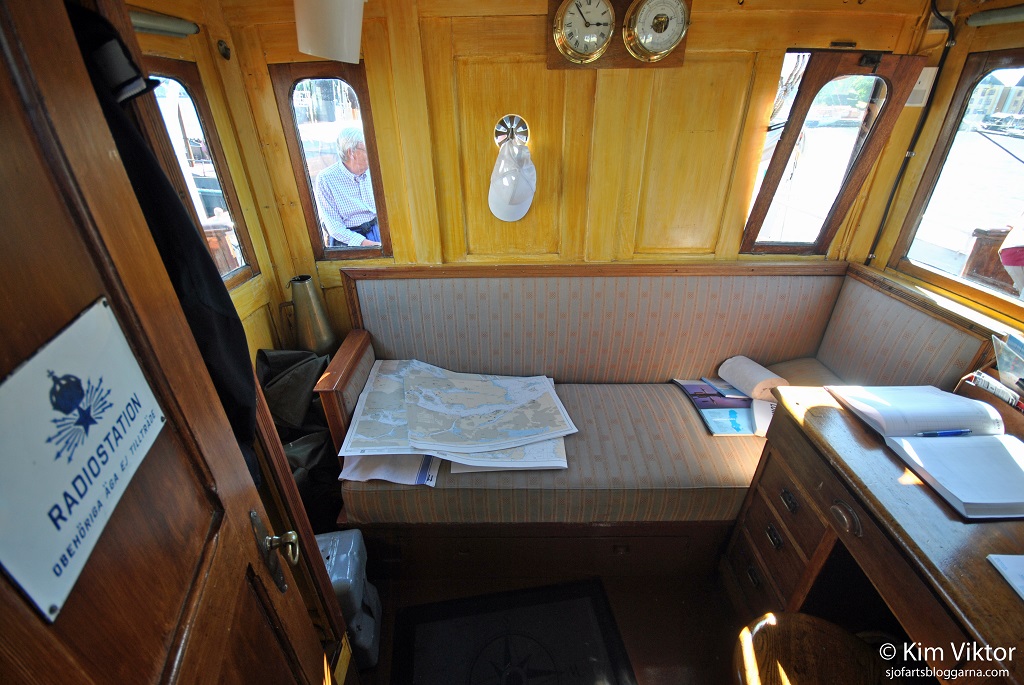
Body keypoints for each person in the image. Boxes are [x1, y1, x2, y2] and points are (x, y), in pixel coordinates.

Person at [314, 127, 381, 247]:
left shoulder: (375, 170)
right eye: (368, 148)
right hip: (347, 240)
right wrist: (369, 244)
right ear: (351, 152)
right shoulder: (326, 179)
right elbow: (335, 228)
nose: (373, 152)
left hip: (378, 231)